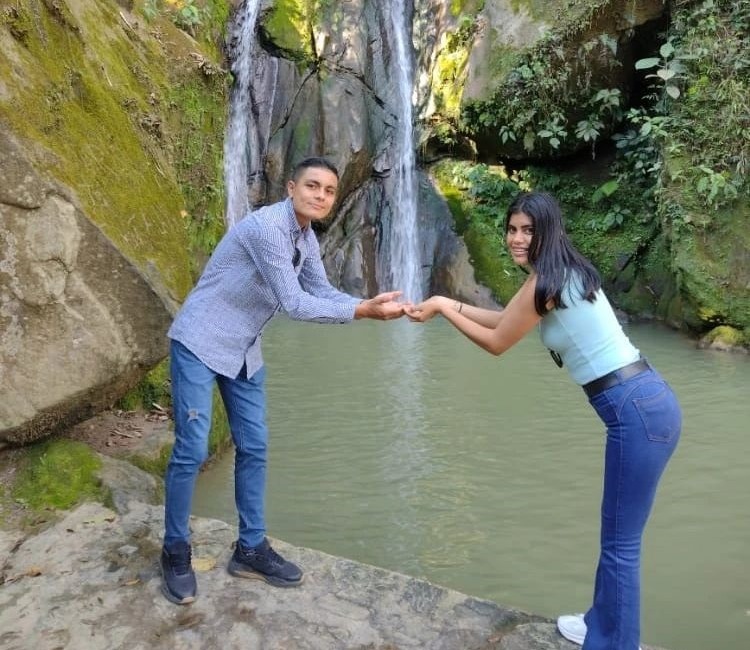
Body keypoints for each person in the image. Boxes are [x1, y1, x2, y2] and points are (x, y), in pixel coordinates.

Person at [404, 191, 680, 650]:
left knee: (620, 545)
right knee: (615, 535)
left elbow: (496, 343)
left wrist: (441, 310)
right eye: (512, 229)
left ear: (546, 231)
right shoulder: (558, 275)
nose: (516, 238)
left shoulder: (546, 281)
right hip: (645, 403)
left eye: (527, 230)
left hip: (636, 411)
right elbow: (503, 319)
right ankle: (600, 624)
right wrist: (440, 304)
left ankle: (614, 643)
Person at [161, 157, 405, 605]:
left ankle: (250, 548)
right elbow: (294, 303)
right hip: (200, 339)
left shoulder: (305, 238)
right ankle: (174, 550)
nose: (321, 196)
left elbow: (322, 292)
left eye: (329, 191)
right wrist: (364, 312)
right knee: (192, 449)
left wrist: (365, 303)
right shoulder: (269, 228)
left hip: (244, 348)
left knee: (254, 446)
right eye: (312, 186)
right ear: (291, 187)